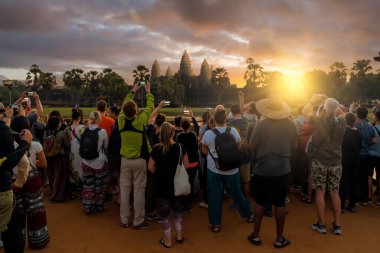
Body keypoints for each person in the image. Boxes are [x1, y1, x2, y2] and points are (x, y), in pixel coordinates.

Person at [248, 94, 298, 248]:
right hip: (282, 168)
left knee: (260, 203)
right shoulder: (290, 124)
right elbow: (295, 144)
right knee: (280, 203)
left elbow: (251, 146)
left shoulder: (261, 125)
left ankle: (256, 235)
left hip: (263, 169)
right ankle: (279, 238)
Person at [201, 108, 253, 233]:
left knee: (214, 197)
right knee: (237, 194)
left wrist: (214, 156)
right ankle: (248, 214)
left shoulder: (208, 134)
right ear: (225, 119)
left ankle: (216, 224)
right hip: (232, 169)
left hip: (214, 170)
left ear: (214, 119)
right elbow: (239, 148)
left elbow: (203, 150)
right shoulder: (233, 131)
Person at [302, 95, 346, 235]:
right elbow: (342, 113)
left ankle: (321, 224)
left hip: (320, 160)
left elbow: (304, 111)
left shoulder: (318, 121)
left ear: (325, 109)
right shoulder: (342, 122)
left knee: (320, 191)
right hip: (336, 161)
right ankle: (337, 225)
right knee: (334, 191)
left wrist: (313, 99)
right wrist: (332, 103)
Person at [10, 116, 50, 249]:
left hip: (14, 182)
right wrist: (32, 163)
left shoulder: (9, 145)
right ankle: (38, 241)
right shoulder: (35, 145)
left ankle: (17, 242)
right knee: (36, 210)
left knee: (17, 214)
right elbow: (43, 164)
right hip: (33, 181)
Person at [148, 122, 189, 248]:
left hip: (162, 186)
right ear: (173, 133)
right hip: (177, 186)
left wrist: (160, 173)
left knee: (165, 215)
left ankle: (168, 241)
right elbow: (186, 165)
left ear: (161, 134)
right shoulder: (181, 147)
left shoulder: (157, 148)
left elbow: (150, 167)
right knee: (178, 213)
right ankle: (179, 236)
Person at [119, 81, 154, 229]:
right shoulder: (140, 121)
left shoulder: (120, 120)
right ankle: (138, 220)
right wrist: (147, 91)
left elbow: (124, 105)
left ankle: (124, 219)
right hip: (139, 160)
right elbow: (151, 107)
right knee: (139, 190)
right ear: (136, 111)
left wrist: (133, 90)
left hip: (125, 160)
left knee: (125, 189)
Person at [0, 119, 32, 253]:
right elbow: (20, 163)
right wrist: (24, 143)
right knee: (12, 229)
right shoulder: (3, 131)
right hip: (3, 190)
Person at [81, 111, 109, 214]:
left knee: (88, 183)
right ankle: (99, 205)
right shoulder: (102, 132)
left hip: (86, 160)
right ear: (99, 119)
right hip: (99, 162)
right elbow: (106, 146)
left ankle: (88, 205)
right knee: (99, 184)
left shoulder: (85, 130)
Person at [228, 104, 251, 201]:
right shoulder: (247, 122)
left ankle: (236, 201)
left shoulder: (229, 123)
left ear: (232, 112)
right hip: (245, 152)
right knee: (246, 180)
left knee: (235, 180)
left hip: (234, 153)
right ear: (240, 111)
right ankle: (247, 200)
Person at [44, 116, 70, 202]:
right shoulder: (61, 133)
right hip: (59, 157)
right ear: (57, 124)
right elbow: (67, 145)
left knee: (51, 175)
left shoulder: (45, 133)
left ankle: (53, 192)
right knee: (59, 177)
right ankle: (57, 196)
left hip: (48, 157)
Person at [339, 113, 362, 212]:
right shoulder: (359, 132)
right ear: (354, 121)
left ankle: (341, 206)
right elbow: (360, 145)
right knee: (353, 181)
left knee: (343, 181)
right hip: (355, 158)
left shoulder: (344, 131)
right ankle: (352, 205)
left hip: (344, 158)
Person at [177, 116, 199, 212]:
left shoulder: (179, 136)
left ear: (182, 126)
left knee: (184, 182)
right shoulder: (193, 134)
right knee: (189, 182)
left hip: (183, 163)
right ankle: (188, 204)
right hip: (193, 163)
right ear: (189, 126)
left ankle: (184, 203)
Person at [355, 107, 377, 205]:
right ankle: (364, 198)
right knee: (364, 177)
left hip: (356, 154)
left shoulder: (354, 125)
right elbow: (374, 141)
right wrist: (367, 144)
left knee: (354, 176)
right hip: (366, 154)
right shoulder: (370, 127)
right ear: (366, 115)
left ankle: (355, 198)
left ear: (357, 114)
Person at [67, 108, 85, 198]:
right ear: (79, 117)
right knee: (81, 168)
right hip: (80, 151)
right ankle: (82, 189)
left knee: (73, 168)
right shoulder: (83, 128)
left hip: (71, 151)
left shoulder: (67, 128)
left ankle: (73, 190)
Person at [368, 110, 380, 206]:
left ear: (376, 117)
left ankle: (369, 196)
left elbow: (370, 141)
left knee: (369, 176)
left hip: (371, 155)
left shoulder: (372, 129)